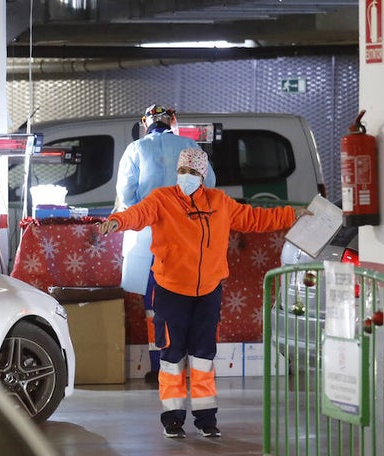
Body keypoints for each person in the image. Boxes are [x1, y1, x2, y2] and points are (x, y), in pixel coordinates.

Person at [99, 147, 308, 439]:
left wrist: (293, 214)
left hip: (209, 292)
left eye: (193, 172)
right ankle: (172, 418)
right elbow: (138, 214)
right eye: (182, 171)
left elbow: (254, 219)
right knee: (171, 357)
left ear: (203, 176)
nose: (186, 177)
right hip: (171, 290)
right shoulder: (162, 199)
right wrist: (118, 221)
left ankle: (206, 418)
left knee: (203, 356)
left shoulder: (219, 202)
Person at [114, 105, 216, 385]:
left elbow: (126, 195)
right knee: (189, 298)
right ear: (173, 122)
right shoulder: (190, 145)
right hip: (188, 236)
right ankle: (190, 365)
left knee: (155, 302)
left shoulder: (135, 149)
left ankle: (161, 366)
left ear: (144, 123)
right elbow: (211, 184)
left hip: (149, 237)